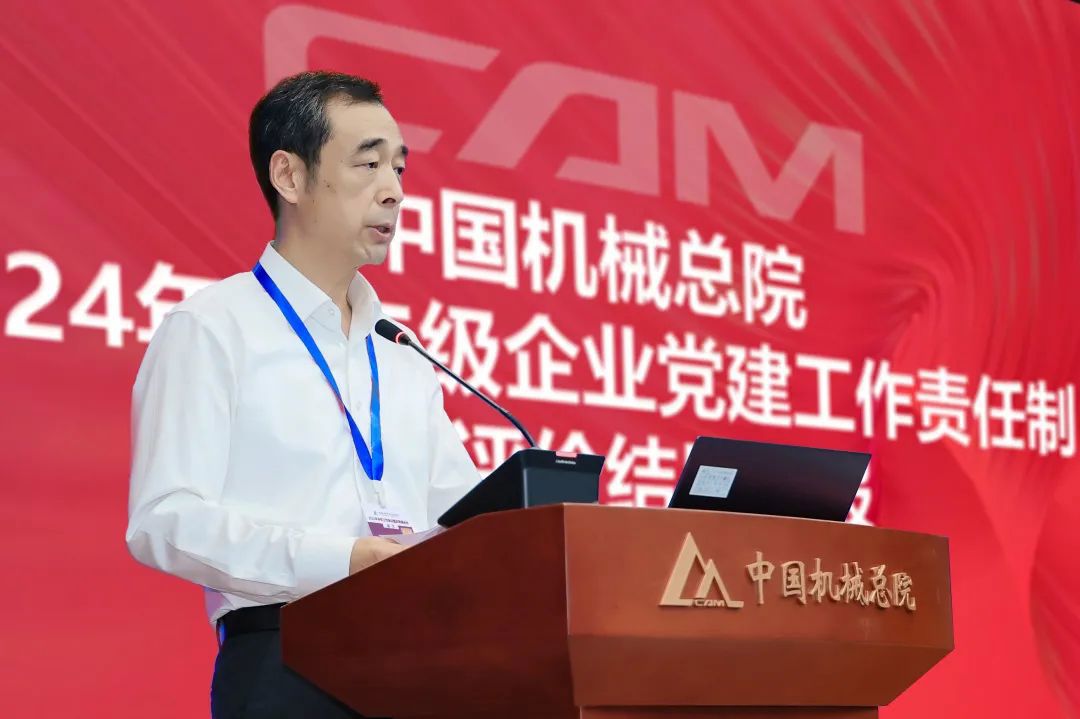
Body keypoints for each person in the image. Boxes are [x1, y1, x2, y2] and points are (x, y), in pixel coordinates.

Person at [125, 70, 480, 718]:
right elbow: (165, 519)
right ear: (289, 176)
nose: (395, 191)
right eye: (368, 164)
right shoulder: (213, 327)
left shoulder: (400, 353)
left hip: (419, 667)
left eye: (399, 168)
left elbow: (456, 511)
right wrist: (341, 559)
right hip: (285, 664)